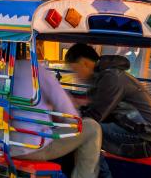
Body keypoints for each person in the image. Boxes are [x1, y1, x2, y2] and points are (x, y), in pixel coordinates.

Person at [9, 44, 101, 178]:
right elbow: (70, 115)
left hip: (2, 144)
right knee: (92, 128)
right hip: (34, 148)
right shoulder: (36, 70)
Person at [66, 44, 151, 159]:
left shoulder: (111, 78)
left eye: (75, 70)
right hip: (137, 133)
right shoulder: (102, 77)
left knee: (86, 130)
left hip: (144, 140)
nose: (76, 76)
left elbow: (96, 115)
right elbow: (94, 109)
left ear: (84, 63)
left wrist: (69, 119)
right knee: (83, 129)